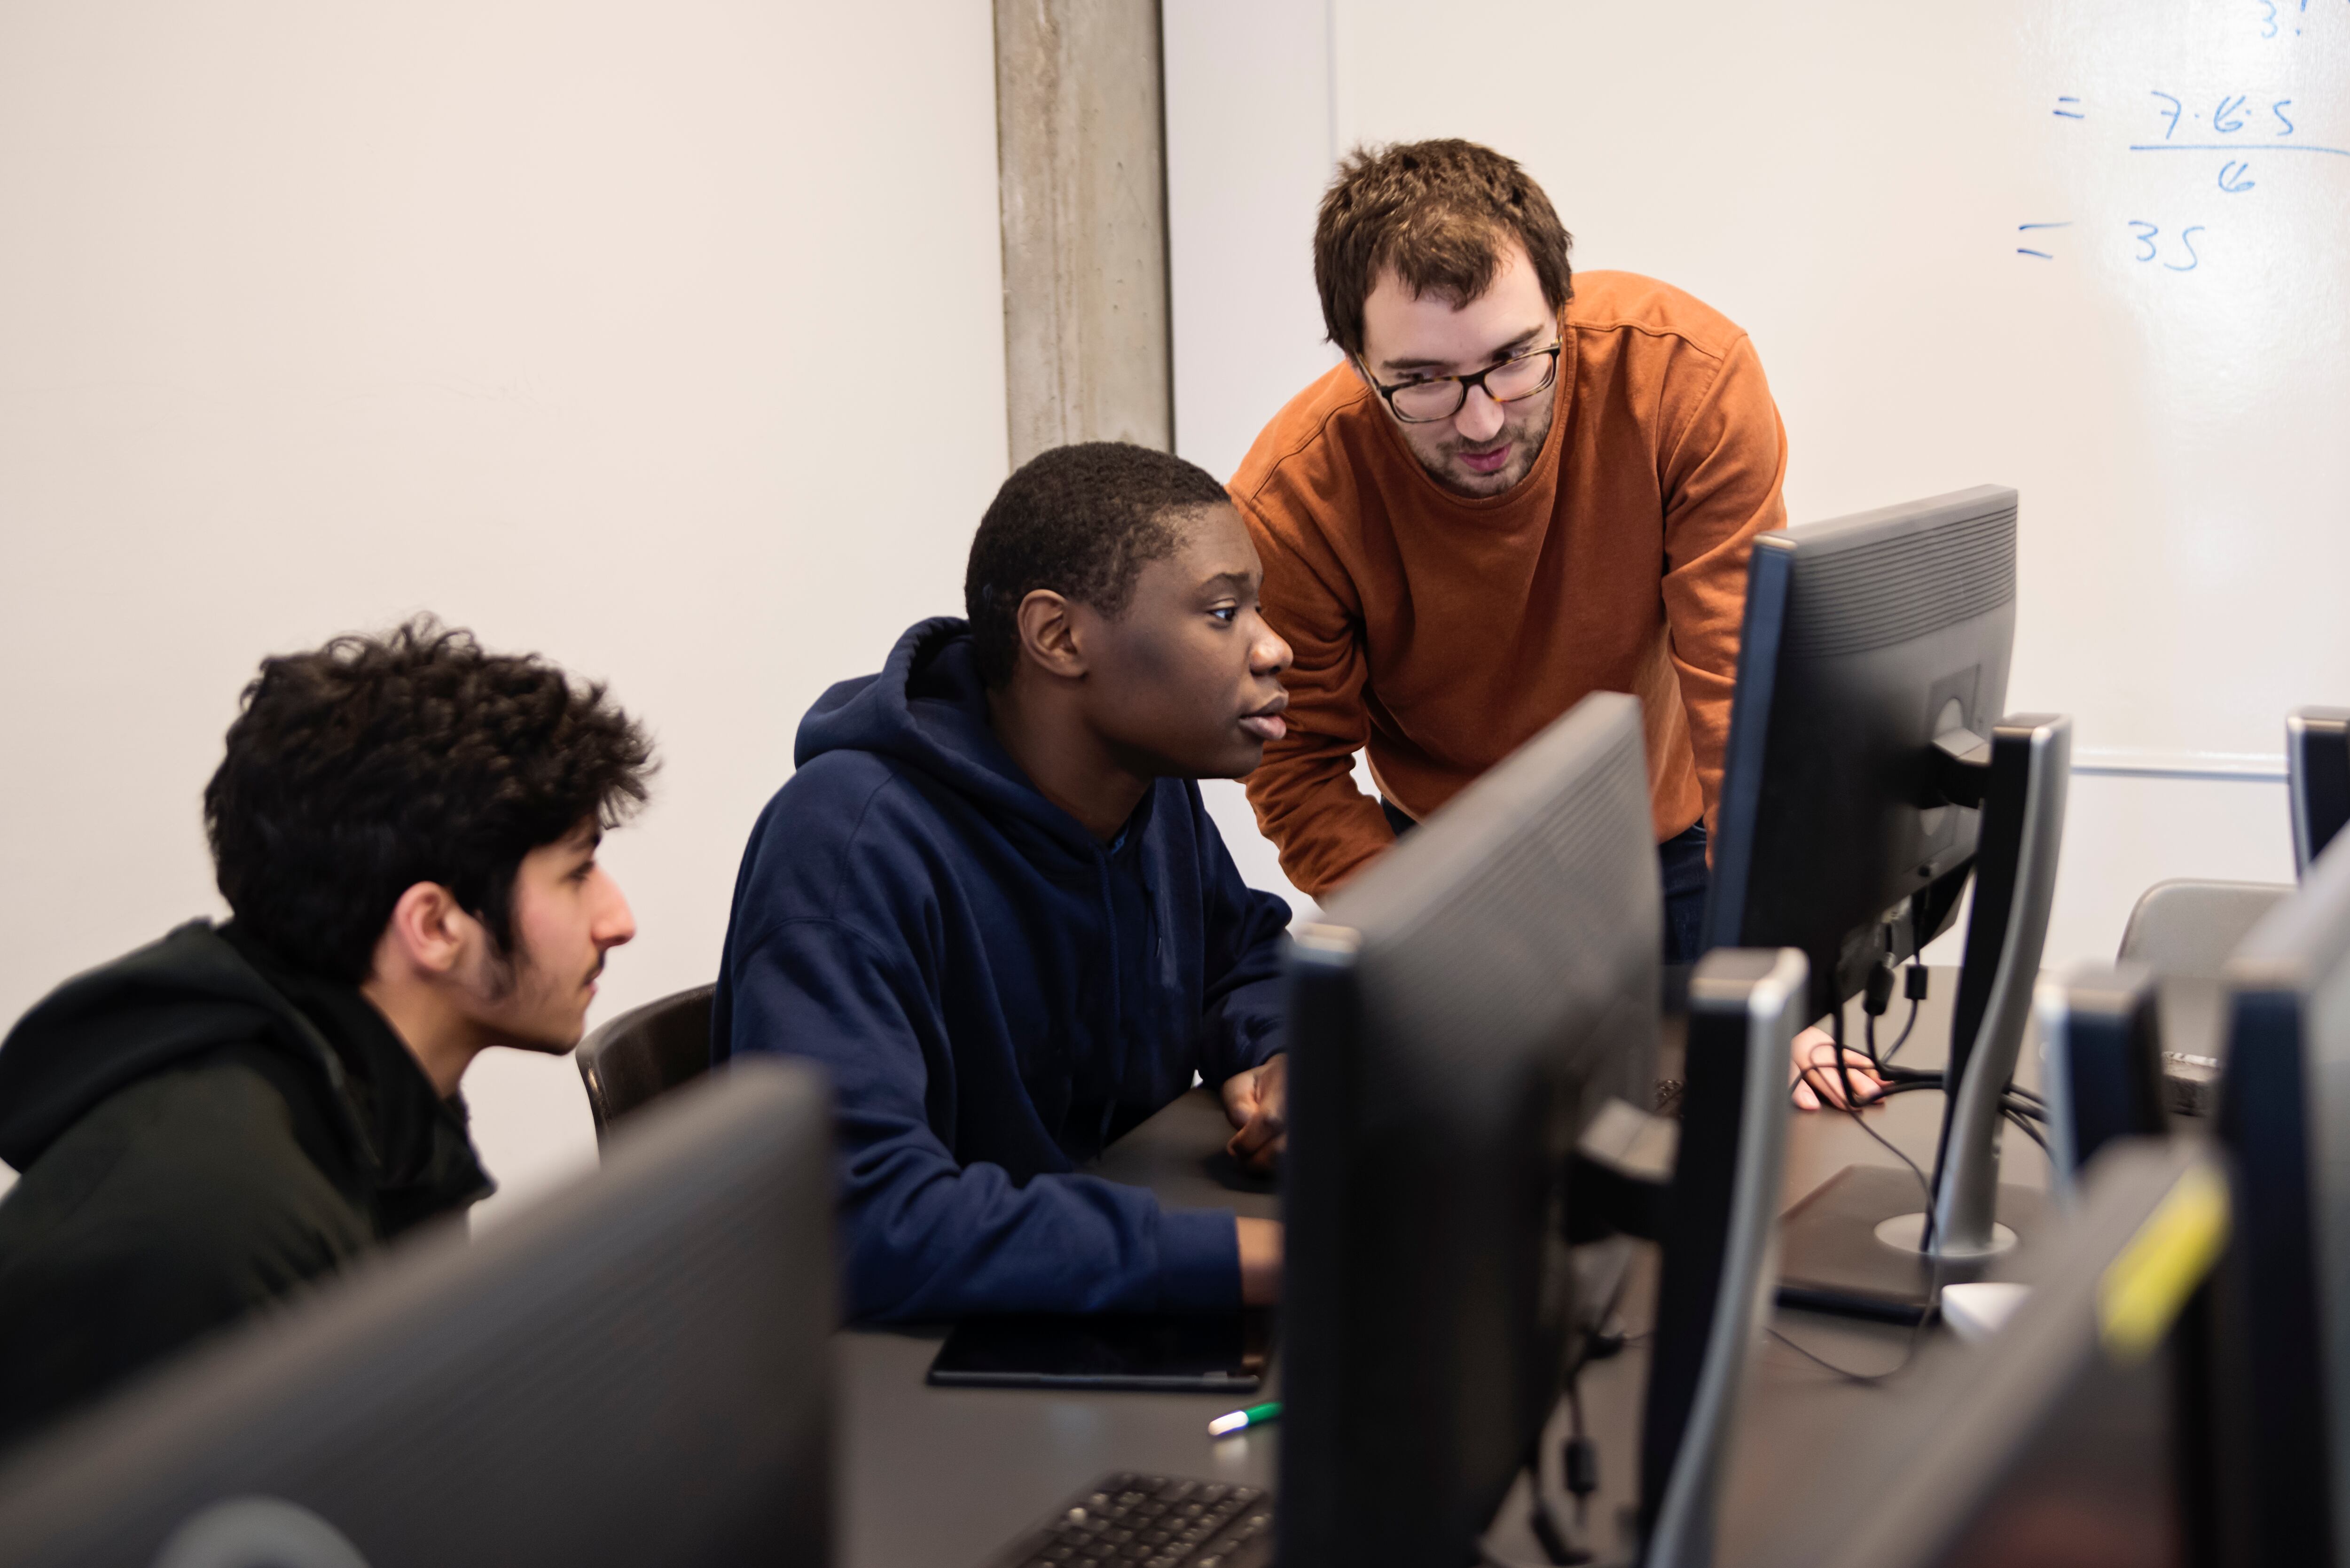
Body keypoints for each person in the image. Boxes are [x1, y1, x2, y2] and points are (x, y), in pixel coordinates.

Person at [1229, 137, 1878, 1108]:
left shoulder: (1684, 379)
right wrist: (1419, 937)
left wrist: (1775, 966)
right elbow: (1297, 763)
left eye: (1512, 362)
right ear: (1356, 362)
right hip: (1448, 874)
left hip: (1685, 847)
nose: (1482, 421)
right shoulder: (1294, 499)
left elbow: (1741, 693)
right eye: (1421, 382)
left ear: (1561, 308)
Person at [0, 620, 650, 1451]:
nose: (619, 919)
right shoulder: (221, 1223)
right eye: (577, 871)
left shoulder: (383, 1110)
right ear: (435, 924)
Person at [716, 442, 1294, 1321]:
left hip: (1068, 1307)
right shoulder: (848, 841)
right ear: (1058, 636)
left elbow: (1241, 956)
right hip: (901, 1377)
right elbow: (862, 1220)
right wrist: (1248, 1260)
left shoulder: (1150, 790)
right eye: (1223, 614)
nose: (1273, 647)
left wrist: (1281, 1054)